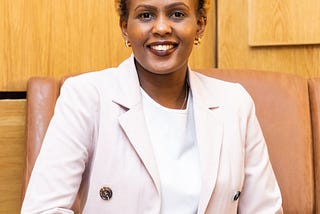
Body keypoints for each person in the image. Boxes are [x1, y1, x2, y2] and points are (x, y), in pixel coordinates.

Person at [21, 0, 283, 213]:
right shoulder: (86, 97)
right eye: (146, 15)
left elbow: (265, 210)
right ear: (125, 27)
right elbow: (43, 209)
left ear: (200, 25)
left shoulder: (235, 103)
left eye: (177, 14)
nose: (161, 28)